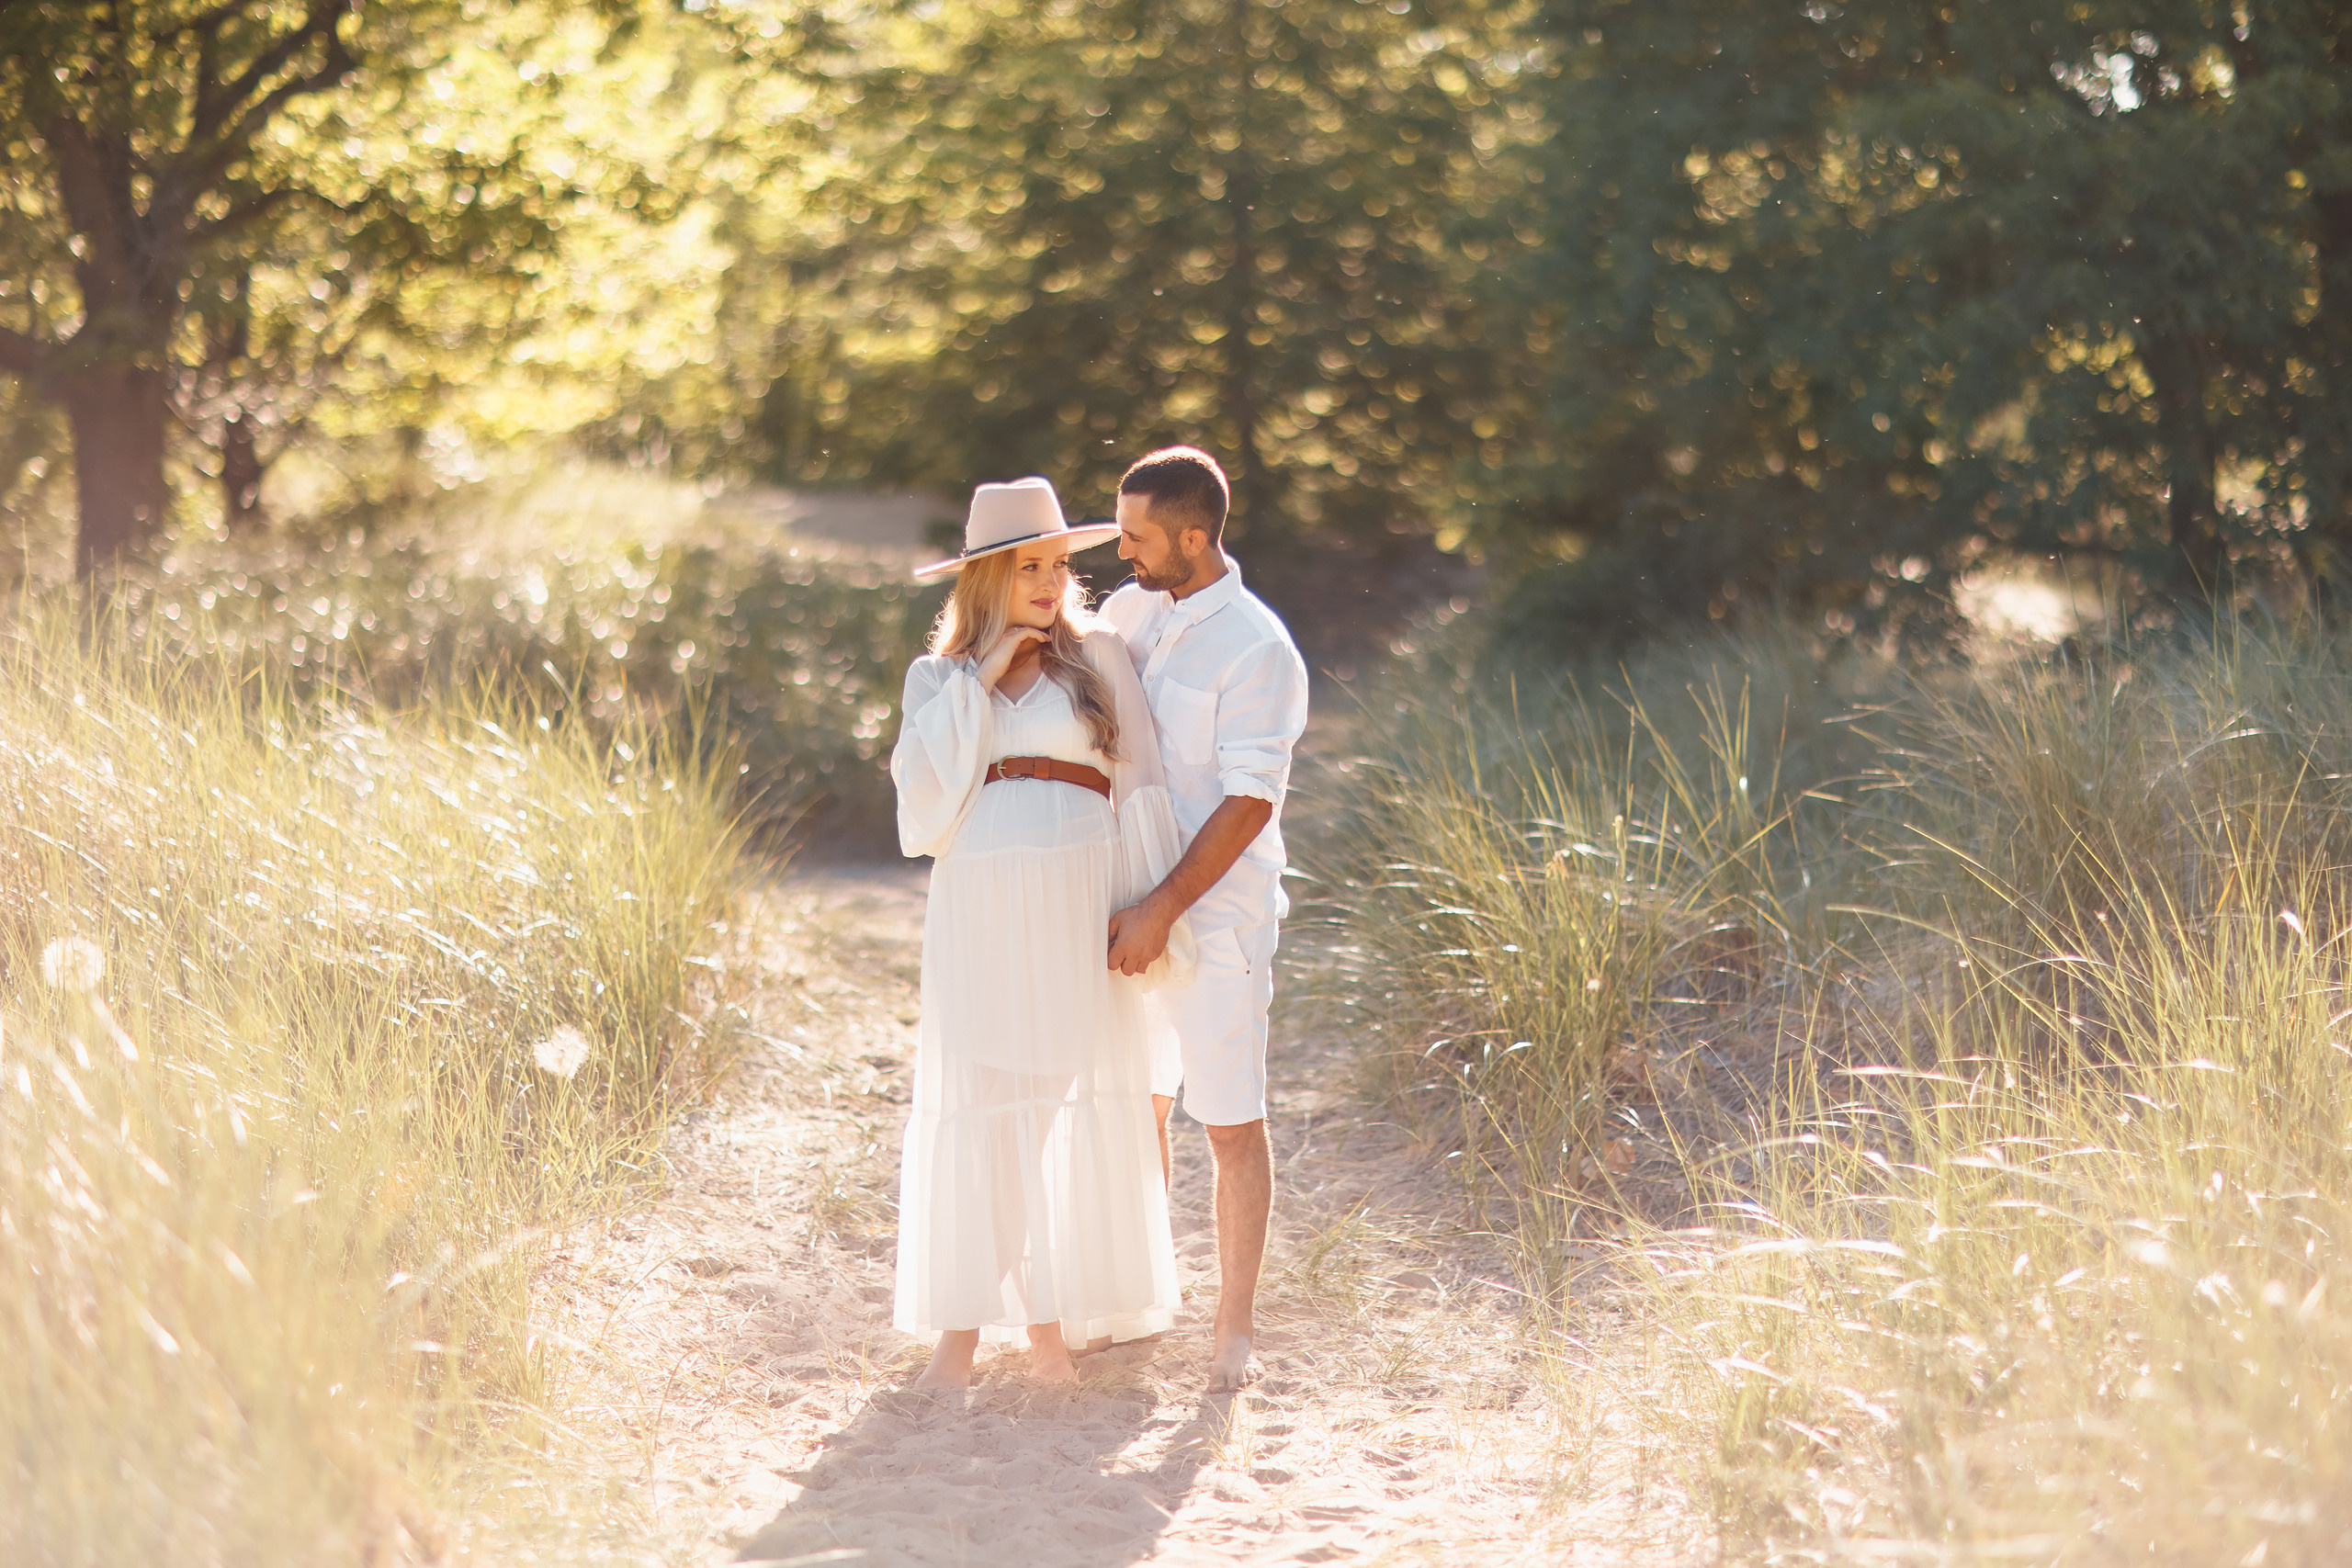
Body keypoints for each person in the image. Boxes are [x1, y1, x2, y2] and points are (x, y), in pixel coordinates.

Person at [889, 476, 1193, 1387]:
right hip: (980, 902)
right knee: (988, 1119)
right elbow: (921, 807)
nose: (1051, 583)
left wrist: (1153, 913)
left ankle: (1009, 1328)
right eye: (1029, 567)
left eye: (1059, 565)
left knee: (1039, 1121)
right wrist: (985, 672)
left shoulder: (1094, 654)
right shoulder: (938, 677)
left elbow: (1137, 785)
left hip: (1075, 898)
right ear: (985, 576)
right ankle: (1001, 1329)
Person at [1098, 447, 1312, 1393]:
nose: (1123, 549)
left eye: (1138, 536)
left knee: (1227, 1120)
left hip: (1215, 916)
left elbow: (1246, 803)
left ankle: (1233, 1332)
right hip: (1122, 903)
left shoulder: (1259, 650)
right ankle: (1145, 1295)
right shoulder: (1125, 609)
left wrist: (1162, 910)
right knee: (1134, 1104)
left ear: (1194, 536)